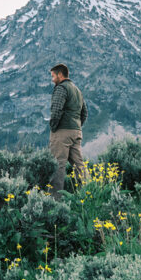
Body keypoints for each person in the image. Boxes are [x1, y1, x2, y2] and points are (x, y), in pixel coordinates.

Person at [48, 63, 89, 198]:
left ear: (60, 74)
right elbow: (85, 113)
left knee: (58, 165)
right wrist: (77, 126)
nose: (52, 79)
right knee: (79, 164)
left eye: (53, 76)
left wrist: (54, 127)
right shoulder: (77, 90)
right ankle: (88, 192)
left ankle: (54, 199)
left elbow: (56, 110)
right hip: (76, 131)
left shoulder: (61, 88)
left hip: (62, 132)